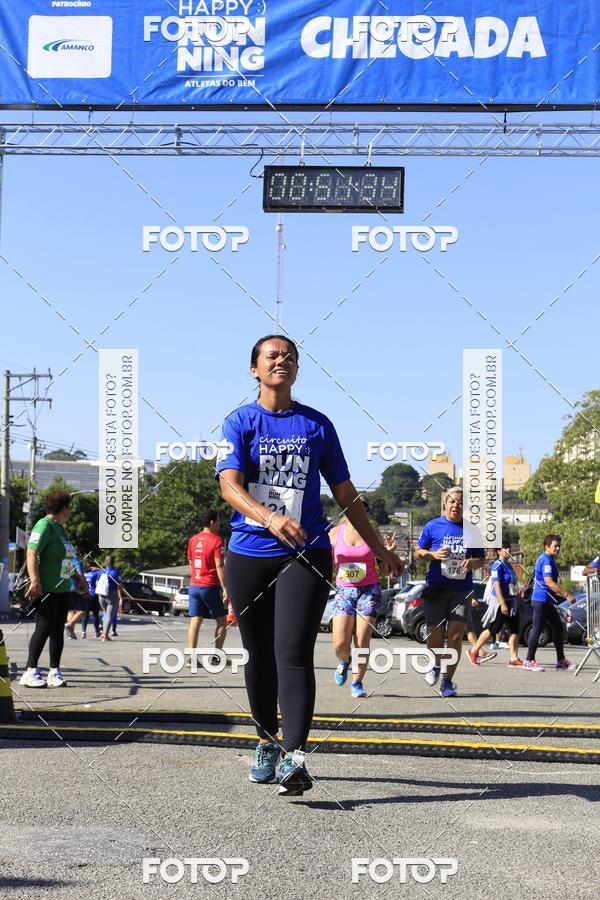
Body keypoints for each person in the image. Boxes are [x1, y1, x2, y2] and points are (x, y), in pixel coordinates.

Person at [217, 335, 403, 796]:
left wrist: (380, 547)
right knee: (259, 653)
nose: (282, 360)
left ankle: (294, 757)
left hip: (307, 550)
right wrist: (269, 518)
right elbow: (229, 486)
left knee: (293, 652)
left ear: (297, 370)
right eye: (272, 355)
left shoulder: (317, 425)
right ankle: (266, 742)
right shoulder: (240, 421)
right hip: (250, 552)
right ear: (255, 369)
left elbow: (346, 494)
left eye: (290, 356)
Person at [415, 485, 485, 698]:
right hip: (436, 588)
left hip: (460, 590)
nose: (456, 505)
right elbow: (418, 551)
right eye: (452, 501)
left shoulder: (472, 530)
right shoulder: (433, 526)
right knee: (434, 636)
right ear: (445, 503)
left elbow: (481, 559)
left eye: (461, 502)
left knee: (455, 635)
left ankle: (447, 682)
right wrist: (434, 555)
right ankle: (435, 665)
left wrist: (472, 562)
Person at [19, 490, 88, 688]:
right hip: (46, 588)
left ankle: (54, 672)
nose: (69, 512)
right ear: (64, 508)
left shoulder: (61, 530)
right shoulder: (44, 526)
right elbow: (31, 554)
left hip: (63, 588)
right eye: (69, 508)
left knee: (57, 630)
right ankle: (30, 671)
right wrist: (35, 581)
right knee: (44, 627)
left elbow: (65, 561)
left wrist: (78, 577)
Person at [330, 505, 396, 698]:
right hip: (344, 590)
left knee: (362, 639)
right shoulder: (334, 533)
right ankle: (344, 660)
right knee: (339, 643)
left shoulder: (373, 534)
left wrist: (388, 554)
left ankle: (357, 683)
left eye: (364, 509)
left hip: (369, 590)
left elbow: (385, 570)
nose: (360, 512)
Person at [524, 534, 576, 671]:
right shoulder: (546, 560)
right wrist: (567, 595)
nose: (557, 548)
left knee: (558, 627)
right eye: (555, 546)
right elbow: (549, 582)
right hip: (541, 599)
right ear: (546, 546)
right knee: (537, 629)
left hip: (547, 600)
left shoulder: (549, 559)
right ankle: (528, 660)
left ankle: (561, 661)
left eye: (559, 546)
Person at [468, 540, 522, 667]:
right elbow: (496, 585)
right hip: (500, 601)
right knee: (493, 628)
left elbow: (512, 583)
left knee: (515, 630)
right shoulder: (497, 565)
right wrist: (502, 603)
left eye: (509, 548)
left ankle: (513, 658)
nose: (508, 551)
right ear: (498, 552)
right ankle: (474, 651)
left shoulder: (509, 565)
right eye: (505, 548)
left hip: (511, 600)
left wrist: (519, 592)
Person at [187, 510, 228, 668]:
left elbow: (191, 563)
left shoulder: (193, 539)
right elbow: (219, 565)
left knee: (195, 621)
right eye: (218, 520)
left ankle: (192, 659)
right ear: (212, 522)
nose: (220, 523)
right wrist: (225, 587)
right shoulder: (217, 541)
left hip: (194, 585)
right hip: (209, 586)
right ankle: (217, 657)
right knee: (222, 621)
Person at [96, 555, 122, 642]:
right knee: (109, 616)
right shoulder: (115, 572)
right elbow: (119, 585)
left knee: (105, 613)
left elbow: (97, 583)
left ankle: (103, 633)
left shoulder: (101, 571)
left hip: (101, 595)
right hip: (111, 595)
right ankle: (105, 635)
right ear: (113, 562)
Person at [65, 549, 88, 639]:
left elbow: (65, 574)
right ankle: (69, 625)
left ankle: (71, 633)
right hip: (75, 589)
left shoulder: (68, 560)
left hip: (67, 588)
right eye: (84, 555)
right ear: (81, 554)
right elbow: (80, 576)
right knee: (83, 610)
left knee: (71, 610)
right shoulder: (78, 562)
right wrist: (84, 588)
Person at [82, 563, 102, 638]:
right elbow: (104, 572)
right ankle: (96, 632)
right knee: (95, 614)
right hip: (94, 594)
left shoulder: (84, 574)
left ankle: (83, 632)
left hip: (86, 595)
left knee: (85, 614)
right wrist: (97, 569)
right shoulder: (95, 573)